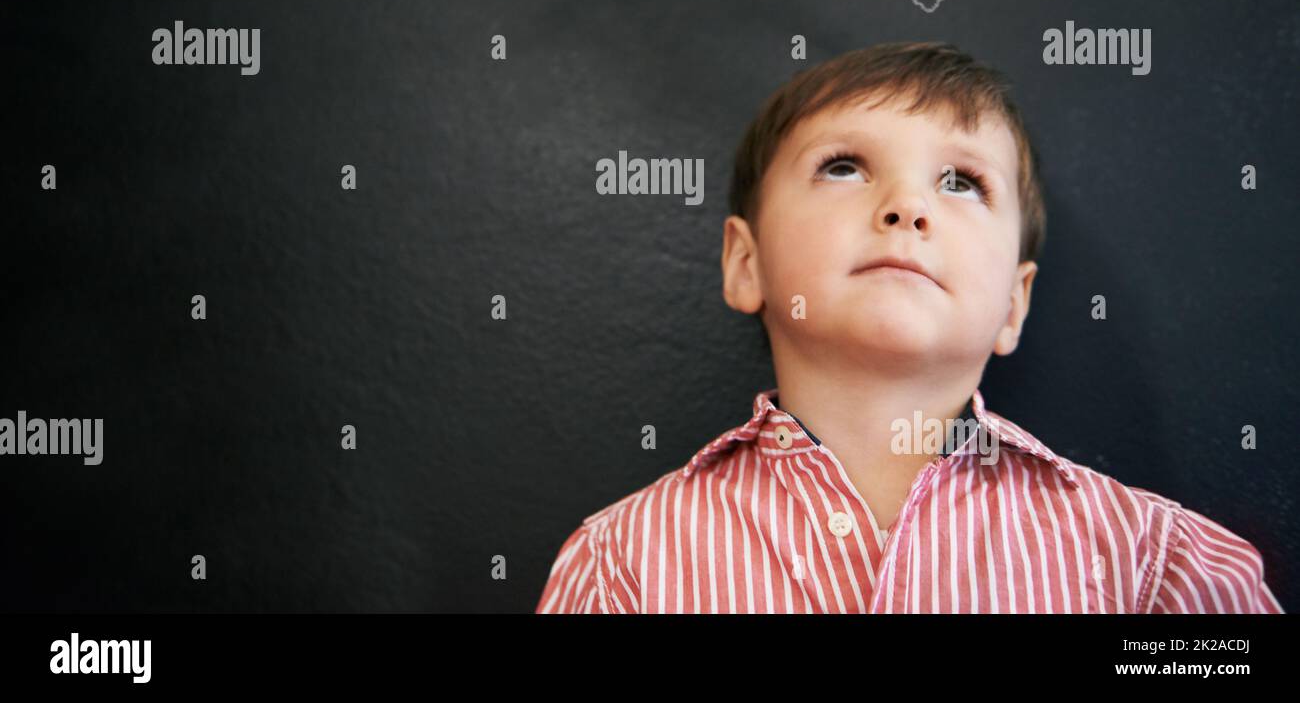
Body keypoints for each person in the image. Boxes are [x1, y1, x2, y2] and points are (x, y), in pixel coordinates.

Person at [536, 41, 1283, 613]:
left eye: (962, 182)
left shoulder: (1159, 572)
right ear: (746, 263)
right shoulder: (623, 568)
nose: (906, 207)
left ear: (1014, 305)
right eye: (843, 166)